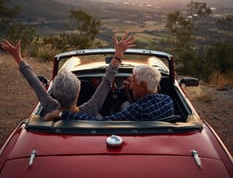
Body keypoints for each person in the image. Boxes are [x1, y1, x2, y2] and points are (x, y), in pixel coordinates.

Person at [0, 33, 135, 118]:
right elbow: (107, 81)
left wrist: (18, 57)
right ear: (78, 92)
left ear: (53, 93)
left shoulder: (50, 107)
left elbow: (33, 81)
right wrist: (118, 54)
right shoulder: (90, 110)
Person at [45, 64, 174, 121]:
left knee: (99, 115)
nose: (130, 86)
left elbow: (101, 122)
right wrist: (130, 92)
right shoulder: (168, 101)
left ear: (144, 85)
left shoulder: (137, 110)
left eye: (133, 81)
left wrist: (63, 115)